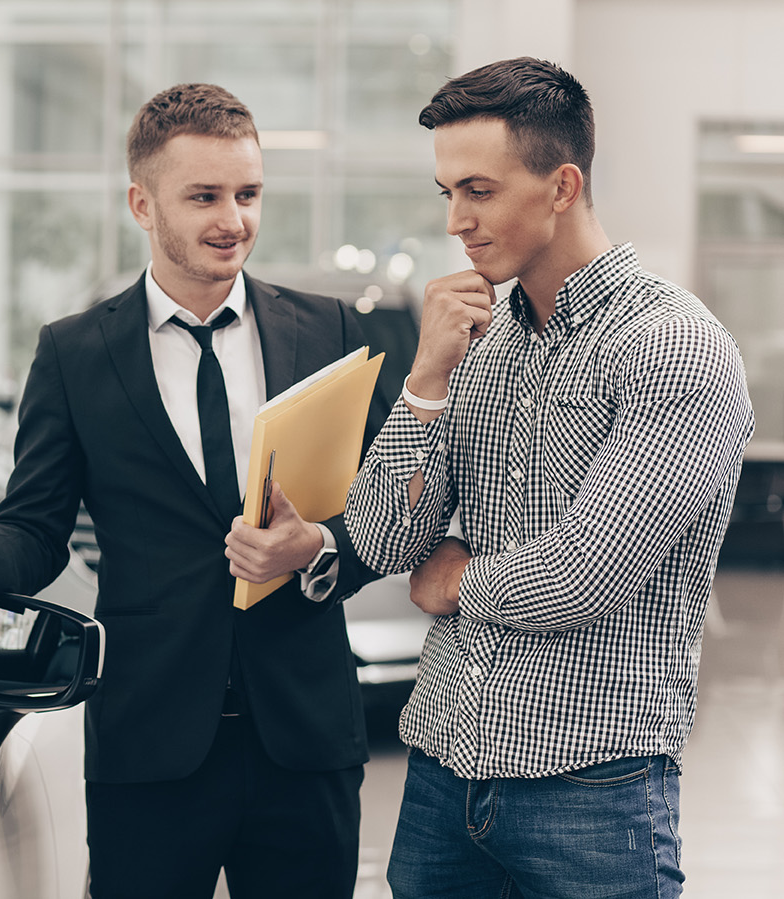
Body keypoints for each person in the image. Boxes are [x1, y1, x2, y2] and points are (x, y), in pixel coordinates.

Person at [0, 83, 390, 898]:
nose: (234, 219)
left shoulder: (325, 329)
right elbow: (36, 527)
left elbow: (373, 522)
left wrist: (322, 548)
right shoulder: (75, 353)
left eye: (248, 193)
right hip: (149, 743)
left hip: (304, 739)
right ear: (142, 203)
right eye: (204, 196)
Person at [344, 57, 755, 898]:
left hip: (592, 796)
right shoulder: (479, 345)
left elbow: (581, 573)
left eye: (479, 190)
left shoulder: (672, 347)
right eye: (446, 192)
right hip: (442, 774)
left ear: (562, 185)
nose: (456, 219)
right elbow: (385, 536)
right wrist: (424, 378)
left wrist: (462, 580)